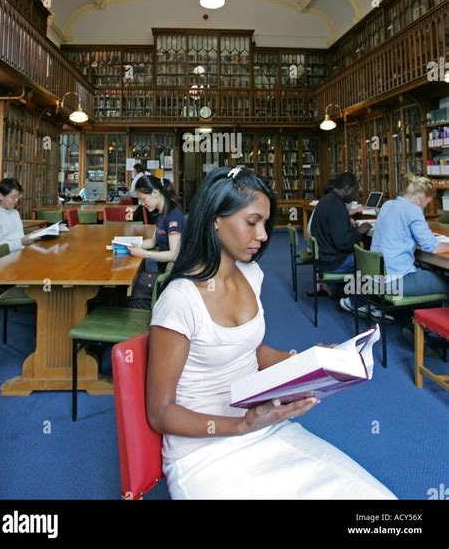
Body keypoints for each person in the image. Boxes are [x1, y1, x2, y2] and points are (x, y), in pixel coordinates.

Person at [146, 166, 396, 500]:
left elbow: (248, 348)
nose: (263, 235)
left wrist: (306, 362)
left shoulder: (251, 275)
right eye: (252, 222)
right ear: (215, 220)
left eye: (264, 223)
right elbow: (159, 412)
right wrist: (242, 425)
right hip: (204, 454)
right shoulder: (179, 299)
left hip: (265, 427)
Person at [371, 174, 449, 298]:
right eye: (427, 203)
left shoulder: (387, 204)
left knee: (428, 272)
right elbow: (433, 247)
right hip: (395, 280)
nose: (425, 206)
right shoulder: (413, 210)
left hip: (374, 275)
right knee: (446, 282)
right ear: (422, 197)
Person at [126, 175, 185, 308]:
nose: (142, 204)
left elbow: (174, 254)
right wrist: (134, 244)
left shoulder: (173, 215)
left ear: (155, 193)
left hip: (171, 275)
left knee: (135, 290)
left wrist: (144, 254)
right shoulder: (162, 213)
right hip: (162, 270)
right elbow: (153, 241)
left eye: (143, 199)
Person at [0, 178, 34, 252]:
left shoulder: (15, 213)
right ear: (1, 196)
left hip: (20, 253)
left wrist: (34, 234)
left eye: (18, 196)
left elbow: (18, 236)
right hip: (4, 260)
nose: (16, 200)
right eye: (13, 197)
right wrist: (21, 242)